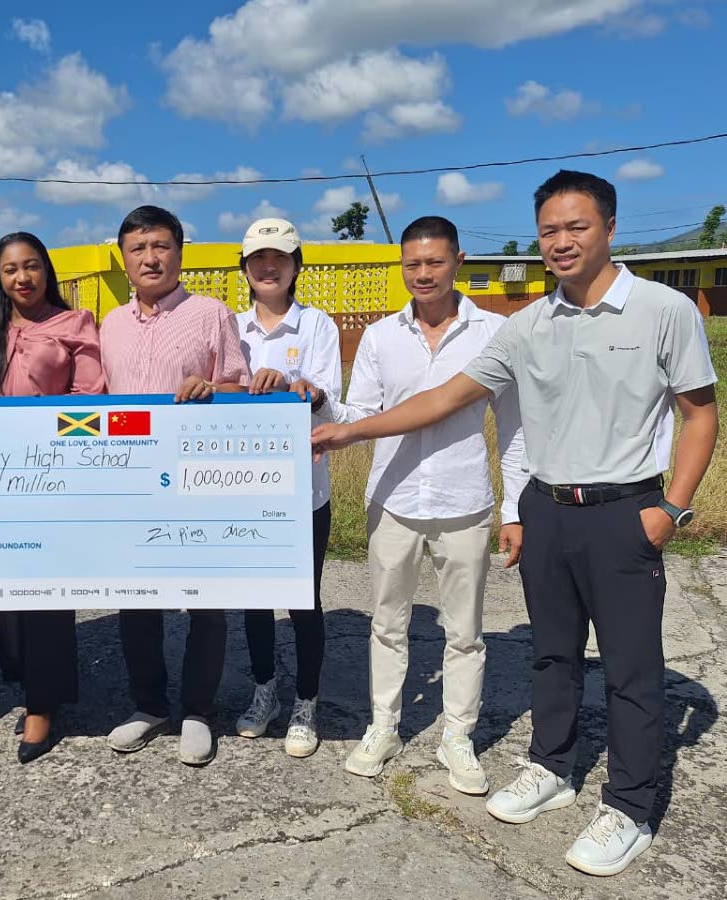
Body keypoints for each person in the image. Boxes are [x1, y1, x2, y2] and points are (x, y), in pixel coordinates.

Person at [312, 171, 719, 877]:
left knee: (630, 668)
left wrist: (671, 508)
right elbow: (447, 397)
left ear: (610, 228)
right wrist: (347, 432)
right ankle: (551, 767)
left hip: (625, 510)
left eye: (576, 227)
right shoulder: (528, 325)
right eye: (549, 230)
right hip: (546, 507)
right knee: (552, 655)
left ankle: (629, 806)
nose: (561, 242)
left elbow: (699, 412)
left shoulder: (663, 308)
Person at [324, 216, 527, 794]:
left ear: (458, 261)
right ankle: (384, 726)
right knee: (388, 624)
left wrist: (514, 508)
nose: (423, 274)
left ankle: (458, 737)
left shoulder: (494, 332)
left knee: (465, 632)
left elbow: (514, 428)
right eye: (412, 264)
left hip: (465, 502)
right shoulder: (381, 336)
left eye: (435, 262)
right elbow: (360, 414)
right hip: (393, 500)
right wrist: (318, 404)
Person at [99, 205, 250, 766]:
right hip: (130, 482)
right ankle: (149, 705)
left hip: (196, 479)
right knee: (135, 600)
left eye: (160, 246)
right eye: (138, 249)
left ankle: (197, 712)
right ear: (124, 259)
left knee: (204, 601)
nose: (150, 258)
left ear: (180, 254)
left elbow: (242, 389)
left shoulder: (212, 314)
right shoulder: (110, 323)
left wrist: (211, 388)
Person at [0, 232, 106, 763]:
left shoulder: (76, 323)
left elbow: (90, 399)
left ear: (47, 270)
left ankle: (44, 705)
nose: (22, 277)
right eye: (9, 269)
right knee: (10, 588)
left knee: (47, 590)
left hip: (54, 476)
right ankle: (24, 682)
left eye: (31, 266)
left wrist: (46, 436)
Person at [231, 218, 340, 759]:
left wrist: (302, 389)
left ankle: (306, 702)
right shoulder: (232, 328)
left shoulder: (317, 325)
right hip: (244, 489)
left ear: (297, 266)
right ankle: (263, 691)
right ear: (245, 269)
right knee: (253, 599)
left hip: (304, 492)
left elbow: (331, 403)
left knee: (303, 600)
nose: (268, 267)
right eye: (258, 259)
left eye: (279, 257)